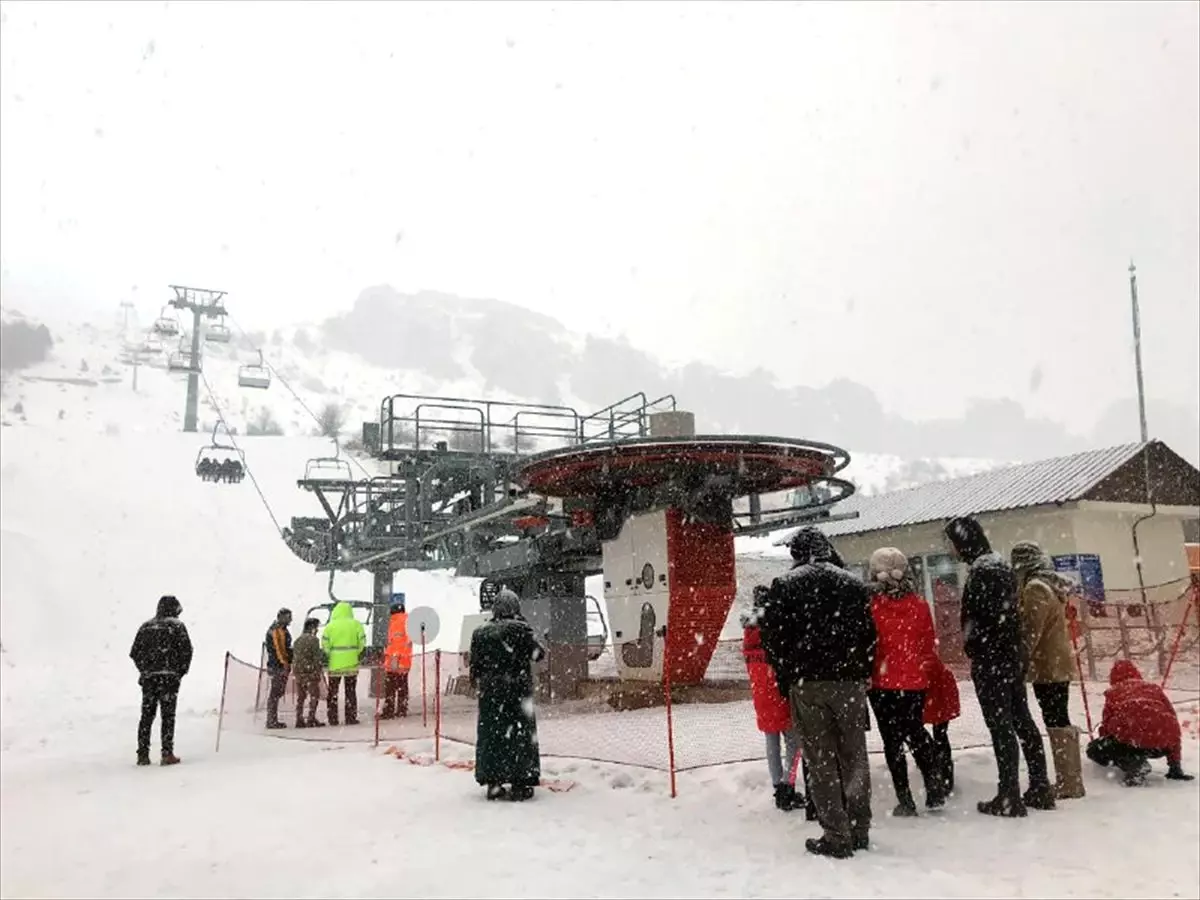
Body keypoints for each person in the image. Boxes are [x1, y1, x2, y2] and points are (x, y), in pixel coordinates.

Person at [760, 526, 876, 859]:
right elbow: (869, 634)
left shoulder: (786, 585)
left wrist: (787, 676)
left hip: (807, 684)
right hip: (850, 684)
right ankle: (860, 828)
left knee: (820, 759)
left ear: (797, 554)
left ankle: (836, 834)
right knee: (854, 755)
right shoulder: (852, 583)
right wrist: (861, 671)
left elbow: (773, 638)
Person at [945, 515, 1055, 816]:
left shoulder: (983, 571)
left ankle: (1009, 795)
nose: (952, 550)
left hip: (993, 659)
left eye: (953, 543)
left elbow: (982, 620)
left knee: (1001, 725)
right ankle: (1040, 785)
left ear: (964, 542)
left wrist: (976, 647)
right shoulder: (1000, 566)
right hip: (1011, 655)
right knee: (1022, 719)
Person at [866, 548, 947, 816]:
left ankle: (905, 799)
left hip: (882, 683)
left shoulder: (871, 607)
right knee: (916, 732)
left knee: (892, 741)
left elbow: (870, 647)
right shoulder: (920, 605)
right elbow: (927, 644)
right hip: (914, 681)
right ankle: (934, 787)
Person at [1011, 540, 1085, 800]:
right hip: (1056, 662)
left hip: (1048, 665)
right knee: (1058, 717)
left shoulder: (1035, 589)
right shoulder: (1049, 584)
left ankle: (1069, 781)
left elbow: (1031, 632)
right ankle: (1070, 779)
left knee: (1055, 719)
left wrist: (1019, 661)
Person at [469, 589, 546, 802]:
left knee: (492, 737)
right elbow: (539, 655)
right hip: (517, 694)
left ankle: (493, 782)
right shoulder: (521, 630)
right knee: (520, 737)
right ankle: (521, 782)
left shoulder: (480, 633)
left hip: (490, 696)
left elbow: (474, 667)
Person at [1087, 659, 1194, 786]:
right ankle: (1138, 759)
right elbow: (1172, 725)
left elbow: (1107, 725)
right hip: (1162, 746)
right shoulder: (1154, 688)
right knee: (1162, 727)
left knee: (1094, 749)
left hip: (1134, 743)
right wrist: (1175, 766)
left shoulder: (1113, 692)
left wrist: (1105, 745)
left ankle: (1133, 764)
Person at [742, 597, 804, 812]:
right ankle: (788, 785)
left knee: (771, 742)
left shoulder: (749, 637)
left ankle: (778, 785)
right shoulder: (778, 635)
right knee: (794, 743)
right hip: (781, 695)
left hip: (761, 697)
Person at [129, 595, 193, 767]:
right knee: (168, 716)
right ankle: (167, 753)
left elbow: (135, 652)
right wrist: (179, 672)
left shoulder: (145, 627)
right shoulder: (177, 627)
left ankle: (142, 754)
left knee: (146, 716)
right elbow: (187, 651)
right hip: (169, 679)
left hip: (150, 679)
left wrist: (145, 670)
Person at [322, 601, 366, 726]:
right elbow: (362, 642)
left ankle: (333, 718)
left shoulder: (330, 626)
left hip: (334, 665)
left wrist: (332, 654)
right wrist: (355, 652)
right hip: (351, 664)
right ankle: (350, 718)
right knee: (350, 691)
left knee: (333, 693)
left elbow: (325, 644)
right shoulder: (356, 624)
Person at [923, 654, 961, 795]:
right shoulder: (932, 659)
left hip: (928, 686)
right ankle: (946, 775)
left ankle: (937, 767)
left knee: (914, 731)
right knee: (941, 735)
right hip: (940, 688)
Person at [381, 598, 413, 720]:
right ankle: (402, 709)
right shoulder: (409, 622)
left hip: (394, 661)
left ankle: (389, 710)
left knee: (390, 688)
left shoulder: (394, 622)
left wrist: (392, 658)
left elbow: (394, 643)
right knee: (403, 686)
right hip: (405, 661)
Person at [292, 617, 326, 729]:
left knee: (301, 696)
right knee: (314, 695)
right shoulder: (314, 640)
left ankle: (299, 719)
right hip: (310, 671)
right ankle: (311, 718)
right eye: (316, 627)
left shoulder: (297, 640)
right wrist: (318, 669)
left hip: (298, 671)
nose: (317, 630)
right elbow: (317, 658)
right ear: (312, 627)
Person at [263, 608, 293, 730]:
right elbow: (278, 649)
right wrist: (284, 662)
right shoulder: (275, 630)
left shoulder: (282, 629)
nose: (290, 619)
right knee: (275, 693)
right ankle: (271, 720)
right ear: (281, 617)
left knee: (278, 692)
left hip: (279, 664)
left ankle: (272, 719)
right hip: (277, 665)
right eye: (288, 617)